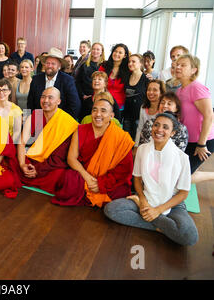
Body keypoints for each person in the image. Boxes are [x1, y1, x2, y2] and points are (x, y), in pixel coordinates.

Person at [104, 113, 198, 246]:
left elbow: (183, 193)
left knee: (190, 237)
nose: (159, 130)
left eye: (165, 127)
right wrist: (141, 200)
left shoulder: (182, 158)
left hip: (172, 203)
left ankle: (157, 222)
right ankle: (164, 227)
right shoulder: (142, 150)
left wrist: (158, 210)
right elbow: (137, 179)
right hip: (145, 197)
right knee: (112, 209)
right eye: (156, 125)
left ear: (173, 133)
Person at [51, 99, 134, 207]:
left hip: (106, 181)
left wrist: (101, 184)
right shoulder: (80, 130)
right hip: (83, 175)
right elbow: (71, 158)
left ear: (112, 115)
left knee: (119, 192)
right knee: (68, 177)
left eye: (103, 111)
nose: (98, 114)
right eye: (95, 110)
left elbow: (124, 170)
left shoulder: (121, 138)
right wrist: (87, 177)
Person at [15, 87, 79, 196]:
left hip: (50, 165)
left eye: (50, 97)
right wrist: (22, 164)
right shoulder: (35, 115)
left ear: (58, 101)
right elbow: (22, 142)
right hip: (32, 159)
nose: (45, 101)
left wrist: (39, 169)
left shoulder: (68, 122)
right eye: (43, 97)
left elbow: (61, 156)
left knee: (62, 175)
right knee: (12, 162)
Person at [175, 54, 214, 174]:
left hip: (203, 141)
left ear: (193, 70)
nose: (178, 67)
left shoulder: (196, 87)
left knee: (184, 175)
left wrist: (201, 144)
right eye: (177, 65)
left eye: (183, 65)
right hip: (187, 139)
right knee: (182, 173)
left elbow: (209, 115)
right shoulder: (179, 90)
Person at [27, 47, 81, 119]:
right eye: (48, 63)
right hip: (38, 121)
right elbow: (30, 104)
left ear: (59, 66)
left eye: (53, 64)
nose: (49, 66)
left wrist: (63, 122)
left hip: (59, 123)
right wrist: (28, 122)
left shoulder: (67, 80)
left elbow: (75, 106)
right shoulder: (36, 79)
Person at [133, 79, 166, 154]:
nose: (151, 92)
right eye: (149, 90)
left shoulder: (163, 110)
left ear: (161, 93)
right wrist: (136, 146)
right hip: (144, 144)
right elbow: (140, 128)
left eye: (155, 90)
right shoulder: (143, 107)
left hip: (158, 147)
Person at [123, 54, 149, 140]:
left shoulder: (146, 79)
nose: (130, 63)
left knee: (136, 141)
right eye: (129, 62)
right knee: (126, 141)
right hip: (127, 116)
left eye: (133, 61)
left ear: (140, 63)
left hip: (139, 117)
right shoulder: (127, 77)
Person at [99, 43, 130, 112]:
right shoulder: (104, 66)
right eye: (115, 51)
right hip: (103, 103)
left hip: (119, 107)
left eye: (120, 52)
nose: (116, 54)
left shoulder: (128, 70)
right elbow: (98, 83)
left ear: (125, 56)